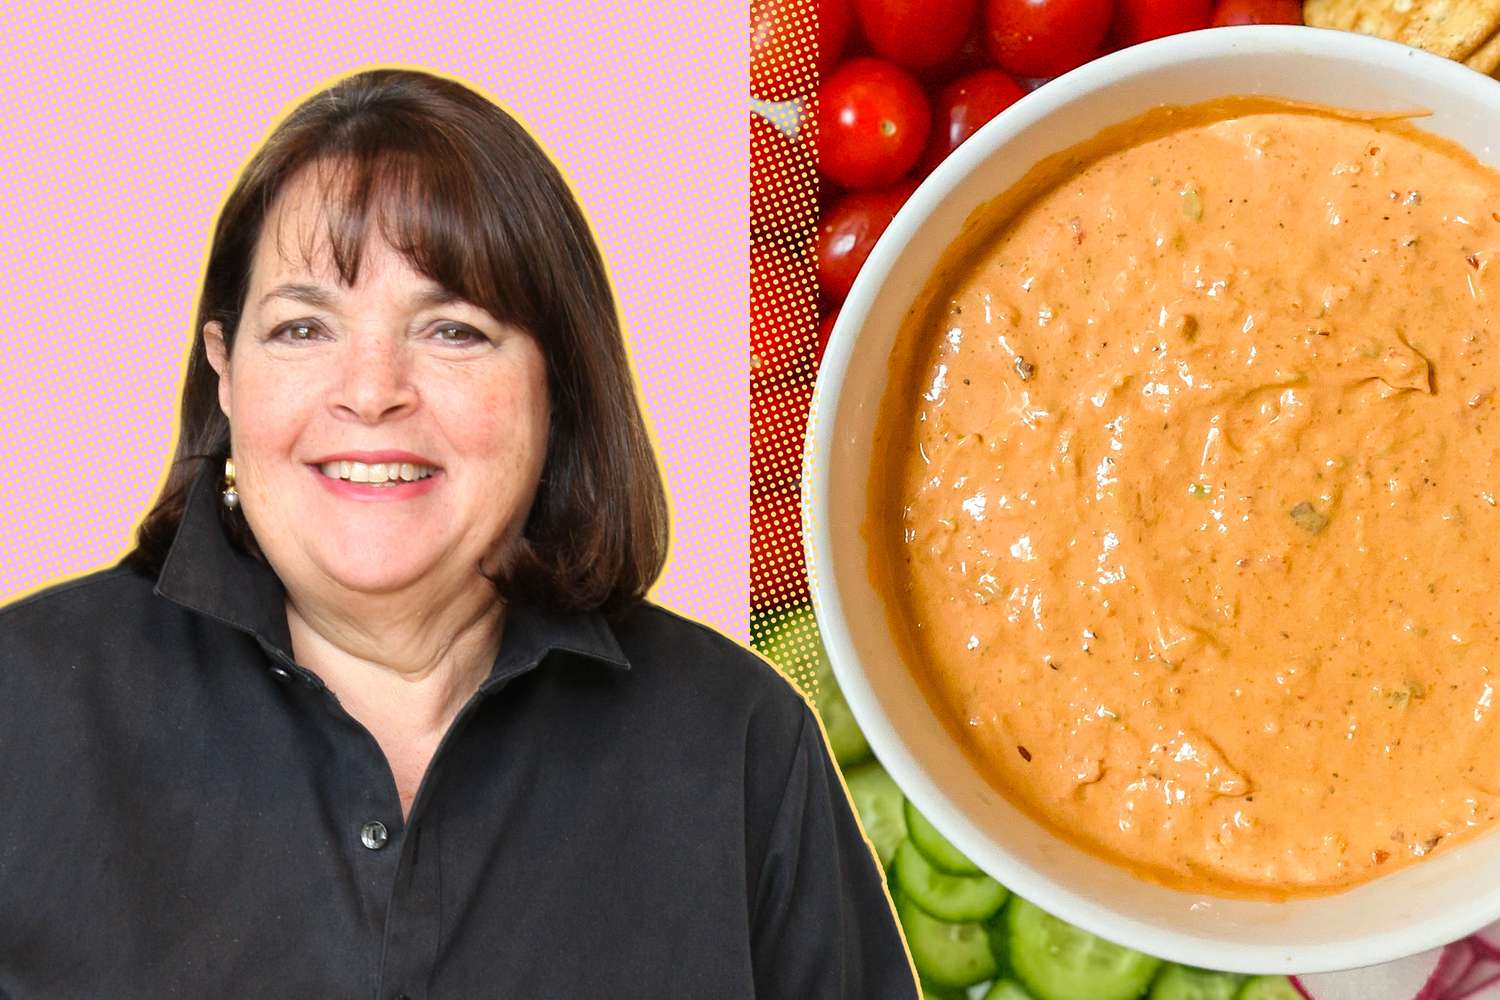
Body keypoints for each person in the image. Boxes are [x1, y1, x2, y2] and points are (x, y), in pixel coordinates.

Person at [0, 67, 919, 998]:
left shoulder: (741, 748)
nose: (371, 391)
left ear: (557, 385)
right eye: (303, 329)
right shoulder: (21, 709)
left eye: (452, 331)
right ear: (225, 372)